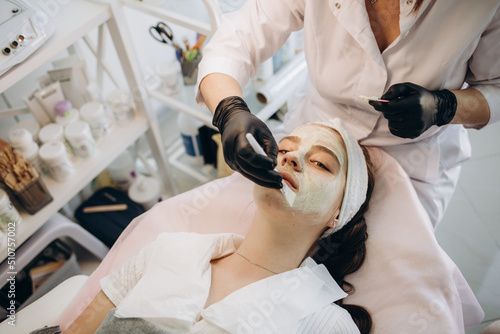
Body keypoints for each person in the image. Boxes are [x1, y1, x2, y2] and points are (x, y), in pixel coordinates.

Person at [196, 0, 500, 226]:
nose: (287, 160)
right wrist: (228, 109)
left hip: (412, 157)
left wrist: (444, 107)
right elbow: (239, 37)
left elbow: (495, 87)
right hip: (318, 122)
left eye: (320, 164)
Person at [63, 119, 375, 333]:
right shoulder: (167, 248)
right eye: (283, 149)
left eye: (321, 163)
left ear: (339, 213)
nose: (291, 158)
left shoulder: (325, 324)